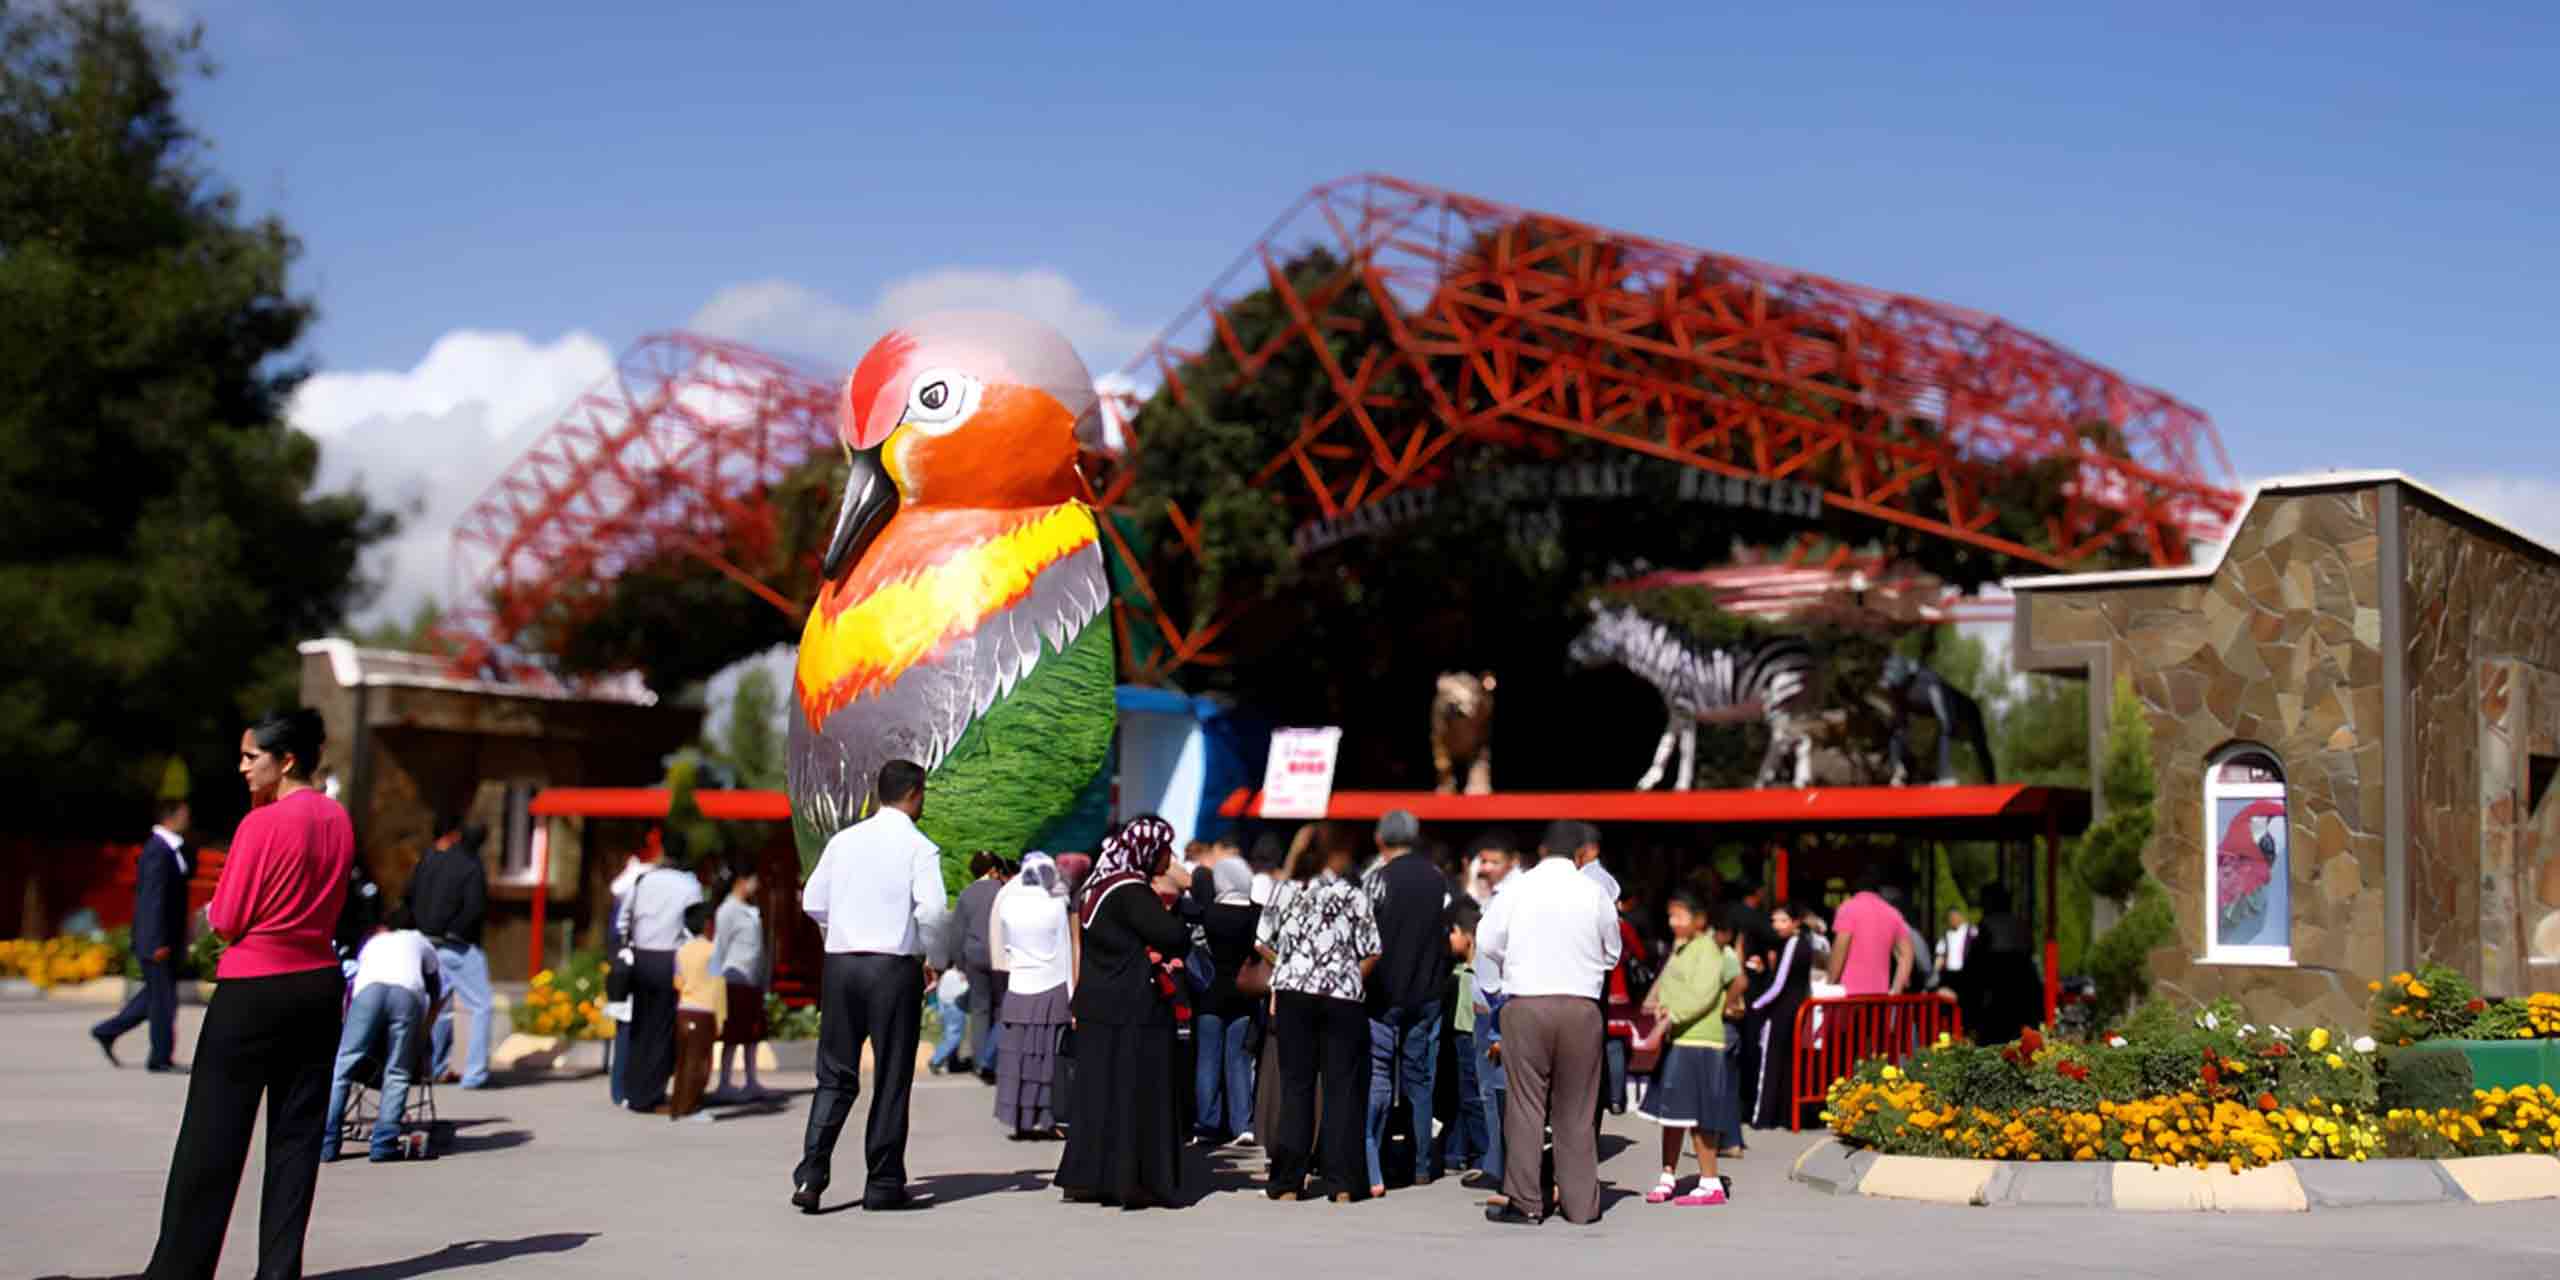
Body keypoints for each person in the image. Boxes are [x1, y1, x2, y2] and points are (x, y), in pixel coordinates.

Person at [142, 708, 353, 1280]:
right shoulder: (338, 819)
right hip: (317, 984)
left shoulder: (260, 825)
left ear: (285, 761)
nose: (241, 768)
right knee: (295, 1138)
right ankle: (278, 1271)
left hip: (253, 989)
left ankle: (180, 1270)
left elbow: (229, 916)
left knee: (212, 1137)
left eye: (250, 756)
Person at [793, 760, 949, 1213]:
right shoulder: (920, 848)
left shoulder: (843, 841)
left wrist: (839, 931)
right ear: (916, 793)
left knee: (835, 1076)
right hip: (892, 969)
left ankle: (811, 1176)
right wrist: (934, 959)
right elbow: (934, 912)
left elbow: (812, 900)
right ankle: (882, 1183)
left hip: (841, 967)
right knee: (891, 1077)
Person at [1476, 820, 1619, 1227]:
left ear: (1542, 851)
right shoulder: (1595, 892)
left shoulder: (1516, 889)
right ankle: (1581, 1206)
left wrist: (1512, 965)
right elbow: (1613, 952)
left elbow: (1486, 942)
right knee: (1576, 1109)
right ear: (1580, 855)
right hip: (1581, 1007)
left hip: (1526, 1004)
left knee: (1525, 1106)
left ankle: (1526, 1202)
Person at [1056, 816, 1197, 1208]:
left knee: (1099, 1095)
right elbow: (1174, 937)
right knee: (1134, 1095)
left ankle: (1090, 1177)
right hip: (1132, 1007)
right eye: (1165, 849)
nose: (1169, 858)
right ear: (1147, 851)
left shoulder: (1096, 887)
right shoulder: (1132, 891)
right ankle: (1134, 1181)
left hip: (1098, 1003)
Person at [1259, 821, 1381, 1203]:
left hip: (1295, 991)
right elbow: (1373, 948)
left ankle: (1287, 1183)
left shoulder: (1285, 891)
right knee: (1340, 1088)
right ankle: (1341, 1182)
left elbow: (1262, 940)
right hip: (1342, 995)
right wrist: (1348, 974)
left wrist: (1291, 964)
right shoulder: (1352, 894)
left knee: (1297, 1087)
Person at [1634, 891, 1746, 1205]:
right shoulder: (1680, 948)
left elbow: (1704, 994)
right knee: (1671, 1115)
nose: (1673, 922)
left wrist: (1670, 1017)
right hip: (1677, 1039)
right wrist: (1658, 1005)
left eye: (1680, 916)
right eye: (1671, 916)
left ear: (1699, 919)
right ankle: (1667, 1176)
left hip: (1699, 1041)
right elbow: (1670, 985)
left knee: (1699, 1116)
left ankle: (1710, 1182)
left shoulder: (1709, 950)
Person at [1362, 809, 1448, 1194]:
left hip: (1385, 993)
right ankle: (1420, 1165)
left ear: (1381, 840)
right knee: (1420, 1080)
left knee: (1379, 1077)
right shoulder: (1436, 878)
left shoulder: (1377, 880)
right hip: (1428, 992)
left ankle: (1374, 1161)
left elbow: (1366, 936)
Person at [322, 904, 441, 1161]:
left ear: (385, 926)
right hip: (406, 994)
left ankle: (327, 1143)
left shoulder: (373, 942)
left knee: (343, 1067)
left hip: (367, 994)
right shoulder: (420, 941)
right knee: (397, 1072)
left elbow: (353, 984)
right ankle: (384, 1143)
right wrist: (424, 1030)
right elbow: (435, 989)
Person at [95, 797, 193, 1073]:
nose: (188, 819)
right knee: (164, 1002)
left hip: (165, 940)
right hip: (157, 941)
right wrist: (157, 942)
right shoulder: (157, 851)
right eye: (185, 814)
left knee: (155, 996)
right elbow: (152, 901)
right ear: (170, 817)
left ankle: (107, 1031)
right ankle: (160, 1059)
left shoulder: (171, 849)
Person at [991, 851, 1076, 1138]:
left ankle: (1019, 1119)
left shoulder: (1008, 904)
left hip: (1018, 987)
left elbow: (1005, 947)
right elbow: (1065, 949)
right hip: (1051, 986)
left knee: (1017, 1058)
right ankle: (1047, 1119)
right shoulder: (1056, 905)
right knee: (1047, 1060)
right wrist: (1072, 993)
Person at [621, 831, 705, 1114]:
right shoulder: (689, 884)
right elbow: (694, 926)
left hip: (641, 958)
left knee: (640, 1026)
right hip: (670, 960)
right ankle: (651, 1094)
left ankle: (633, 1090)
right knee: (663, 1029)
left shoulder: (643, 880)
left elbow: (624, 919)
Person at [410, 817, 494, 1090]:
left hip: (427, 941)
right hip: (457, 943)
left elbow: (412, 894)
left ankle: (434, 1067)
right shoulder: (472, 865)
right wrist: (456, 931)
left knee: (440, 1005)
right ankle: (475, 1073)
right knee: (481, 1005)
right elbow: (475, 907)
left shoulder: (431, 859)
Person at [1462, 830, 1522, 1192]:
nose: (1485, 868)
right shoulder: (1492, 896)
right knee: (1488, 1089)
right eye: (1482, 861)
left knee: (1498, 1091)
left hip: (1499, 1006)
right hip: (1487, 1004)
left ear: (1511, 862)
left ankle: (1503, 1167)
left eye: (1492, 862)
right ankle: (1495, 1162)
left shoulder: (1512, 897)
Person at [1193, 856, 1261, 1145]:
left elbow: (1196, 946)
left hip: (1210, 993)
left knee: (1207, 1059)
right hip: (1244, 993)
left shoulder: (1206, 912)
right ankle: (1242, 1124)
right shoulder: (1256, 913)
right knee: (1239, 1060)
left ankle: (1207, 1123)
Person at [1748, 902, 1818, 1130]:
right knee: (1787, 1063)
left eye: (1783, 920)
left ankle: (1764, 1116)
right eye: (1774, 920)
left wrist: (1757, 1004)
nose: (1777, 925)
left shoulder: (1793, 944)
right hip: (1795, 1009)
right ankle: (1784, 1116)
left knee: (1771, 1063)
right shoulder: (1802, 944)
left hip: (1781, 1010)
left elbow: (1779, 984)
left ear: (1795, 922)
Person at [1435, 897, 1488, 1179]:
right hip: (1457, 1036)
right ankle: (1455, 1151)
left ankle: (1483, 1152)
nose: (1448, 939)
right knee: (1457, 1093)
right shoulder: (1456, 968)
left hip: (1470, 1037)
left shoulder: (1476, 971)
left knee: (1472, 1095)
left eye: (1452, 933)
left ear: (1466, 936)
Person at [711, 859, 771, 1101]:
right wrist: (716, 979)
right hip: (734, 978)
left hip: (752, 978)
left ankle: (751, 1080)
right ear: (741, 881)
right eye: (753, 879)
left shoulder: (750, 909)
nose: (756, 885)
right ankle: (724, 1082)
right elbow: (720, 947)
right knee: (733, 1034)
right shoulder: (727, 911)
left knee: (752, 1034)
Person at [953, 851, 1007, 1083]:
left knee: (979, 1010)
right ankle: (995, 1060)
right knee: (1001, 1008)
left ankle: (978, 1061)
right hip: (1000, 956)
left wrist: (960, 963)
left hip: (974, 957)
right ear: (992, 869)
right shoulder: (1003, 891)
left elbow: (957, 934)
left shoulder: (966, 894)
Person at [670, 902, 727, 1122]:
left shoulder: (681, 951)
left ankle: (678, 1105)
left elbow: (678, 982)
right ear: (707, 924)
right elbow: (718, 987)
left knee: (683, 1061)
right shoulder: (713, 951)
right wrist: (721, 1019)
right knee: (700, 1063)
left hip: (684, 1010)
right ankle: (692, 1107)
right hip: (704, 1012)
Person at [1828, 871, 1915, 997]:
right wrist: (1896, 991)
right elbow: (1907, 954)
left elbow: (1840, 949)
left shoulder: (1848, 909)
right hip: (1880, 997)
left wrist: (1830, 982)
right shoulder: (1893, 913)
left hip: (1848, 997)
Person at [928, 967, 972, 1075]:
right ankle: (935, 1060)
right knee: (954, 1036)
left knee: (949, 1036)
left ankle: (953, 1063)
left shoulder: (947, 973)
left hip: (945, 1005)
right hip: (955, 1005)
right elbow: (965, 989)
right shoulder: (959, 975)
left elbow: (940, 992)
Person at [1934, 906, 1975, 986]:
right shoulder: (1945, 935)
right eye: (1951, 917)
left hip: (1966, 973)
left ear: (1960, 917)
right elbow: (1940, 956)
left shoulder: (1971, 931)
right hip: (1949, 974)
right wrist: (1935, 973)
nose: (1953, 919)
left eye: (1955, 916)